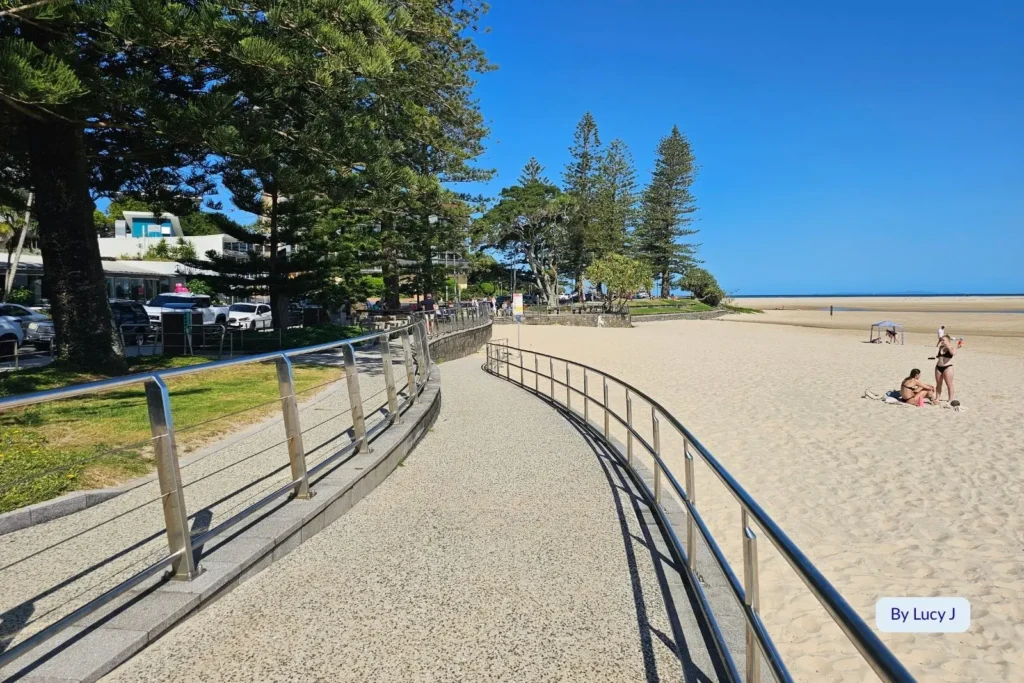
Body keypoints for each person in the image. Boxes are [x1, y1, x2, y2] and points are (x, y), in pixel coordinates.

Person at [934, 334, 956, 403]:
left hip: (947, 367)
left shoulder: (952, 348)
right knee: (938, 384)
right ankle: (937, 398)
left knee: (949, 384)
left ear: (948, 341)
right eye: (941, 340)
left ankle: (950, 399)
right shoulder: (940, 347)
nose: (942, 341)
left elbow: (953, 353)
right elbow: (939, 356)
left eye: (943, 340)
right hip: (938, 367)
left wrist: (948, 347)